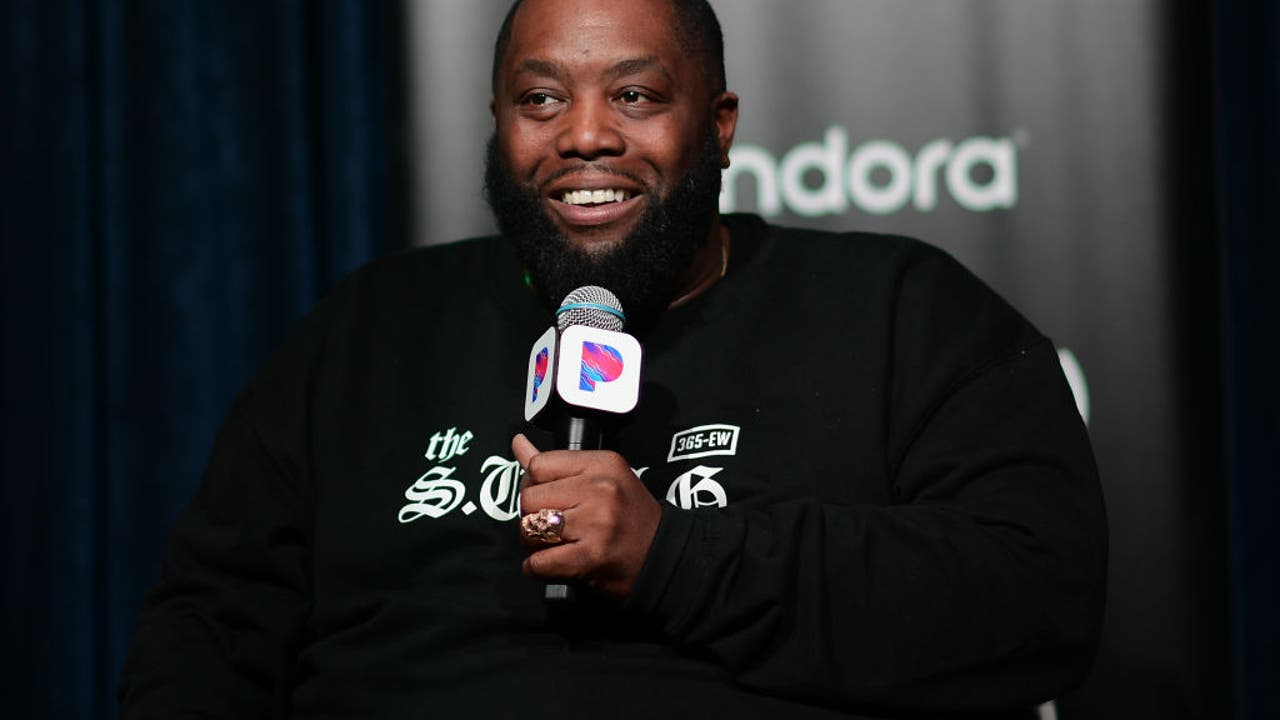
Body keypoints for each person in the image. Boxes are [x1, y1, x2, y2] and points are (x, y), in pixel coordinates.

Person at [119, 0, 1107, 717]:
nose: (584, 136)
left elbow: (1035, 597)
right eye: (540, 99)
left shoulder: (901, 311)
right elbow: (209, 624)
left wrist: (674, 556)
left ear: (718, 124)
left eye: (634, 95)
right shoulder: (368, 328)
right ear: (498, 126)